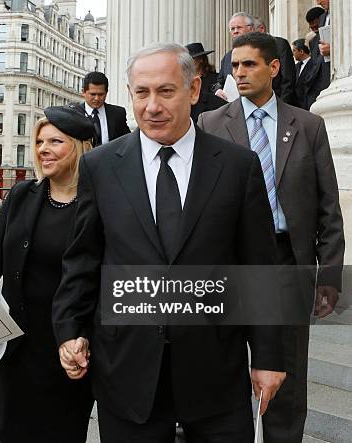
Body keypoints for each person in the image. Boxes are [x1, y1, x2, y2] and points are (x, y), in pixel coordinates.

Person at [52, 42, 286, 443]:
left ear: (194, 91)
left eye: (165, 91)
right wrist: (69, 330)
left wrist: (267, 356)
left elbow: (259, 268)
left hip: (214, 376)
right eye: (141, 93)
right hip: (126, 373)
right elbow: (83, 261)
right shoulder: (100, 166)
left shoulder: (237, 166)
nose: (152, 106)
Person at [198, 32, 344, 443]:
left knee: (287, 373)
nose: (238, 73)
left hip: (286, 263)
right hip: (227, 266)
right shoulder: (210, 123)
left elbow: (328, 207)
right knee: (222, 366)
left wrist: (328, 275)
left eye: (249, 64)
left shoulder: (309, 125)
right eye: (235, 66)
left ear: (274, 68)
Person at [0, 106, 95, 443]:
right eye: (39, 141)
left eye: (55, 141)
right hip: (13, 351)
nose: (43, 149)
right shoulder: (21, 195)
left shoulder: (98, 206)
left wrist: (85, 338)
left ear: (80, 146)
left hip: (67, 351)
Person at [215, 12, 297, 106]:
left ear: (251, 28)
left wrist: (281, 109)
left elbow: (288, 81)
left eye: (239, 27)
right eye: (232, 29)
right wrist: (218, 90)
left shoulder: (277, 45)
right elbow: (219, 82)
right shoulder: (227, 57)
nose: (235, 31)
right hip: (238, 112)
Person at [71, 71, 131, 147]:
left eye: (101, 94)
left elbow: (127, 141)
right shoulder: (73, 114)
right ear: (83, 92)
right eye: (93, 94)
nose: (97, 98)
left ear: (106, 93)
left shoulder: (118, 114)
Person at [185, 42, 227, 122]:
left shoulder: (216, 78)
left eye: (192, 59)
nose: (189, 63)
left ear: (201, 59)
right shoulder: (186, 81)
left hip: (213, 120)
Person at [291, 39, 316, 110]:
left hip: (309, 105)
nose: (293, 53)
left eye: (294, 50)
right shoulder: (295, 67)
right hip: (297, 106)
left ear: (301, 51)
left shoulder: (314, 64)